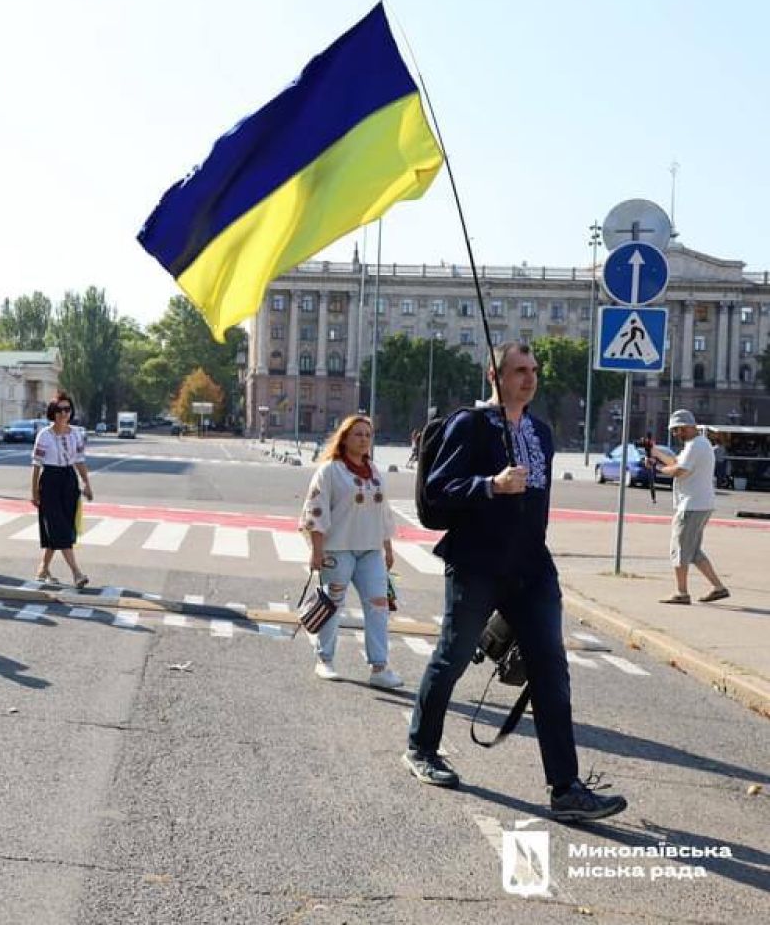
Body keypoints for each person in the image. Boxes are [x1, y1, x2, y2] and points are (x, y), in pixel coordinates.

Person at [406, 342, 627, 821]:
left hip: (532, 567)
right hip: (477, 564)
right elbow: (437, 493)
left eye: (534, 370)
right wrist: (490, 484)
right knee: (453, 656)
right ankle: (421, 748)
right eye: (519, 370)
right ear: (495, 374)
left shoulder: (541, 432)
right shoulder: (471, 425)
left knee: (551, 669)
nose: (530, 378)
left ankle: (565, 788)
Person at [299, 415, 403, 688]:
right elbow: (315, 511)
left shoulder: (374, 471)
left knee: (379, 607)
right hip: (338, 549)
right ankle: (325, 659)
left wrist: (388, 548)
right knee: (332, 606)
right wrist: (316, 550)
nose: (364, 439)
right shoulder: (330, 471)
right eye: (358, 434)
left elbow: (383, 512)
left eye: (368, 435)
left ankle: (379, 667)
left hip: (370, 551)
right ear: (344, 438)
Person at [648, 410, 729, 604]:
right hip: (701, 503)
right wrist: (656, 454)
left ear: (685, 427)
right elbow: (677, 462)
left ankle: (681, 593)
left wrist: (657, 468)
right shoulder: (699, 444)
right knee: (693, 551)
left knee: (680, 549)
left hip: (691, 505)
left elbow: (679, 470)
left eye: (676, 431)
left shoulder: (695, 446)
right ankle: (718, 587)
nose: (675, 435)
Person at [29, 390, 93, 587]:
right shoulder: (44, 435)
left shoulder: (76, 434)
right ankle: (77, 573)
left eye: (67, 409)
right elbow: (37, 464)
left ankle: (43, 567)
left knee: (62, 529)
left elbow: (79, 460)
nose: (64, 413)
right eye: (59, 410)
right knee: (60, 529)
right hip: (50, 481)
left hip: (69, 481)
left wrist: (86, 483)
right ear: (52, 412)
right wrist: (34, 492)